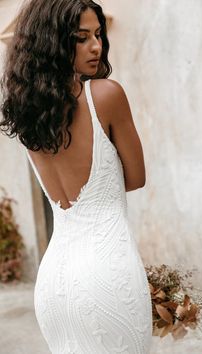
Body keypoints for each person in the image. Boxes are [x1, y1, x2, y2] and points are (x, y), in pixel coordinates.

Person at [0, 0, 153, 353]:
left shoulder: (27, 115)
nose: (97, 46)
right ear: (52, 41)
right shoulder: (106, 95)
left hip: (54, 284)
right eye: (80, 38)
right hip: (108, 275)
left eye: (98, 34)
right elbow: (136, 177)